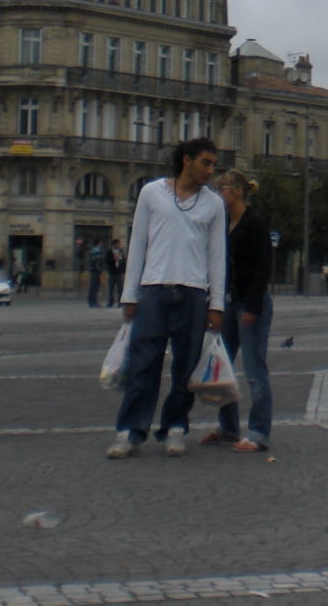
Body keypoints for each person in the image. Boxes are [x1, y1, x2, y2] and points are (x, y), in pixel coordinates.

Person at [107, 138, 226, 459]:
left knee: (185, 367)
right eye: (206, 162)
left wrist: (216, 304)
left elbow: (217, 257)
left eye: (213, 164)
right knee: (143, 364)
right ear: (186, 160)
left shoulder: (213, 204)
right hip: (154, 289)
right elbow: (138, 245)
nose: (210, 170)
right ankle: (130, 430)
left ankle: (175, 427)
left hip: (192, 292)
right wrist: (129, 295)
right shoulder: (152, 193)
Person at [201, 169, 274, 452]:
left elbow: (263, 267)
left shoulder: (255, 223)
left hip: (250, 303)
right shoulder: (221, 224)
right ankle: (229, 428)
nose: (219, 194)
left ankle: (258, 433)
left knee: (255, 370)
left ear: (238, 192)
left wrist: (253, 305)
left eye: (223, 189)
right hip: (228, 302)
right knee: (223, 367)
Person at [107, 239, 126, 307]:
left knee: (120, 289)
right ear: (113, 245)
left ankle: (120, 303)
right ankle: (110, 302)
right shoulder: (109, 252)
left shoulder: (120, 252)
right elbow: (107, 261)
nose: (118, 245)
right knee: (111, 289)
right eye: (117, 244)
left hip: (119, 273)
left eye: (118, 244)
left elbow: (123, 262)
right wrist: (113, 259)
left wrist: (123, 272)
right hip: (112, 273)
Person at [87, 240, 105, 308]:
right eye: (101, 243)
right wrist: (100, 271)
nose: (102, 245)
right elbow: (98, 263)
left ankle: (92, 302)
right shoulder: (97, 252)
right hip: (96, 272)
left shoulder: (92, 251)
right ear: (99, 244)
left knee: (93, 288)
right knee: (94, 288)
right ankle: (93, 303)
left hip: (93, 271)